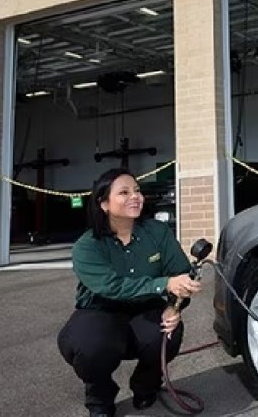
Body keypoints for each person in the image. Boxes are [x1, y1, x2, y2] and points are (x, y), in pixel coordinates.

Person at [57, 168, 202, 417]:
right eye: (123, 192)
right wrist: (163, 284)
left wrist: (173, 305)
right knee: (89, 346)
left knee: (167, 334)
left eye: (137, 190)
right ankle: (99, 398)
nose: (135, 196)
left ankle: (146, 386)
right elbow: (111, 287)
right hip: (100, 310)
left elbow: (181, 273)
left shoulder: (157, 232)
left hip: (145, 307)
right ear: (103, 203)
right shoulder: (87, 246)